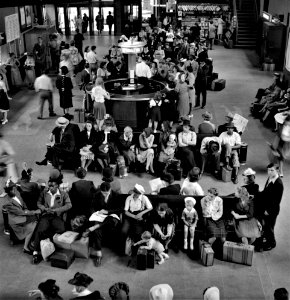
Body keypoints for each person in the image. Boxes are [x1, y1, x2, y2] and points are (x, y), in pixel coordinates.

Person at [31, 177, 72, 264]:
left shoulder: (63, 194)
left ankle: (46, 238)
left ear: (57, 186)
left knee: (61, 230)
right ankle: (35, 252)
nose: (50, 188)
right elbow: (38, 203)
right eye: (49, 186)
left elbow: (69, 205)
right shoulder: (44, 192)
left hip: (56, 216)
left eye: (52, 186)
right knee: (39, 230)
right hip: (46, 215)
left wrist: (56, 210)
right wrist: (44, 208)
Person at [84, 182, 123, 267]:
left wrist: (108, 212)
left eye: (107, 193)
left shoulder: (116, 195)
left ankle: (96, 226)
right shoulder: (97, 194)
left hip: (112, 216)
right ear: (100, 191)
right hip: (100, 216)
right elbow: (92, 206)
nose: (105, 195)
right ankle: (99, 254)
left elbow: (120, 209)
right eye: (103, 193)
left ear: (110, 190)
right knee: (97, 230)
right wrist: (95, 213)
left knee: (111, 220)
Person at [3, 179, 40, 253]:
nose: (14, 190)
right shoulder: (7, 202)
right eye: (11, 190)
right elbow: (20, 212)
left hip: (22, 214)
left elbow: (23, 204)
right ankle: (27, 245)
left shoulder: (17, 193)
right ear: (8, 191)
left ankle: (26, 246)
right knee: (34, 222)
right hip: (16, 220)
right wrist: (34, 212)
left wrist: (27, 210)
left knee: (34, 222)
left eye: (14, 188)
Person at [259, 163, 284, 251]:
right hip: (266, 207)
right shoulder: (270, 178)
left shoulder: (278, 184)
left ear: (277, 170)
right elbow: (265, 191)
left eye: (272, 170)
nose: (269, 172)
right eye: (268, 170)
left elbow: (276, 201)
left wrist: (268, 211)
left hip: (271, 210)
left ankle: (271, 243)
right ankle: (266, 237)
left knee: (269, 227)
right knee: (266, 225)